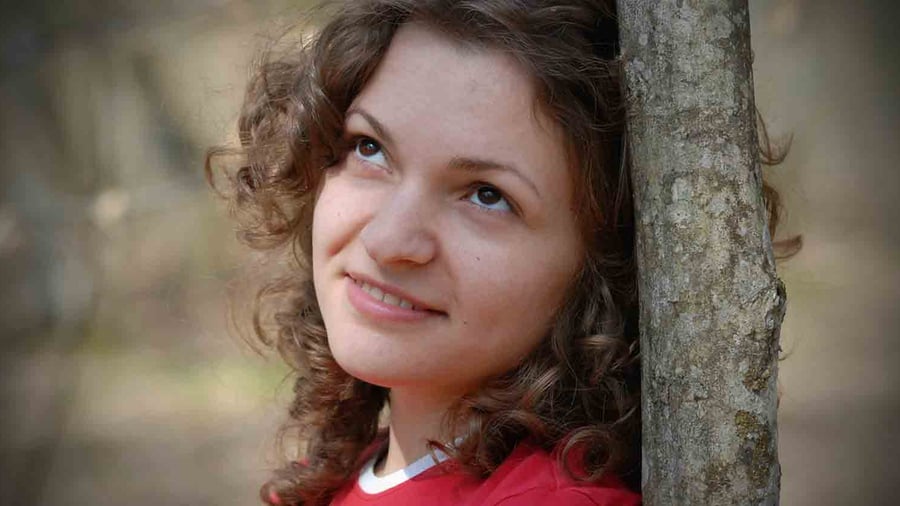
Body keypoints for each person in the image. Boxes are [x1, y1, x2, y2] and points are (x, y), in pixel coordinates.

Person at [207, 0, 783, 504]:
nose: (388, 241)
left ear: (604, 264)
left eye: (487, 195)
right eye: (370, 148)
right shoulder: (340, 476)